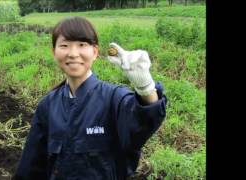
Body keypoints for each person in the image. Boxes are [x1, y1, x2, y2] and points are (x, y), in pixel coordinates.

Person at [14, 16, 167, 180]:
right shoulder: (48, 106)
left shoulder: (113, 98)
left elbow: (143, 120)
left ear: (94, 52)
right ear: (54, 52)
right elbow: (31, 165)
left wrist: (145, 86)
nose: (73, 54)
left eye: (81, 45)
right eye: (64, 46)